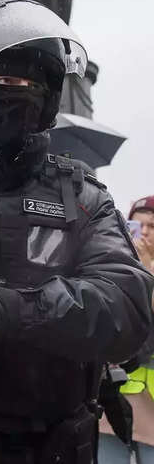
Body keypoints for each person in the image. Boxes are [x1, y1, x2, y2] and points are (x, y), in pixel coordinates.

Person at [0, 0, 154, 464]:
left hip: (56, 445)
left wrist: (15, 311)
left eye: (34, 83)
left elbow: (129, 306)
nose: (19, 93)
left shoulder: (82, 197)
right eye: (4, 80)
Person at [98, 195, 154, 463]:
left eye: (152, 227)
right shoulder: (111, 267)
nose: (143, 233)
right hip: (114, 400)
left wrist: (146, 274)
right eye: (136, 225)